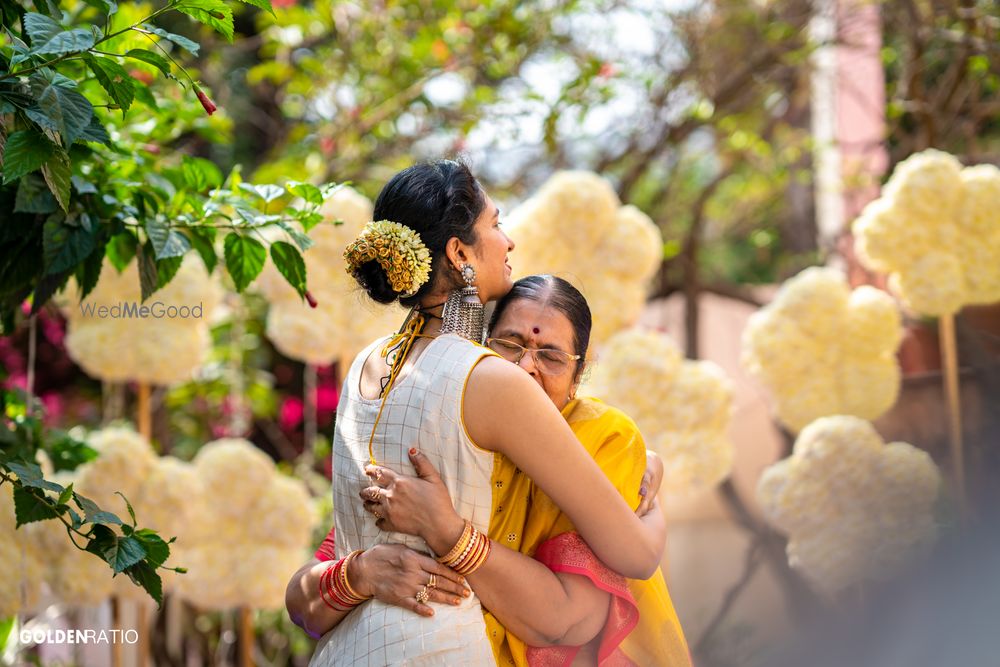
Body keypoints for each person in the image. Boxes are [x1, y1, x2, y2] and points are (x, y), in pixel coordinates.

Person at [285, 161, 667, 666]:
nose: (508, 242)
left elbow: (309, 590)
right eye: (495, 224)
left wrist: (357, 573)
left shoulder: (364, 366)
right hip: (436, 647)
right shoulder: (489, 381)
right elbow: (636, 555)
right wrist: (654, 491)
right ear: (458, 251)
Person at [359, 275, 691, 666]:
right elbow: (317, 579)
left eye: (550, 356)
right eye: (509, 345)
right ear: (479, 349)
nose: (525, 367)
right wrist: (358, 573)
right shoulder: (446, 421)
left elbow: (568, 620)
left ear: (578, 377)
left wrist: (447, 531)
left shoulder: (602, 438)